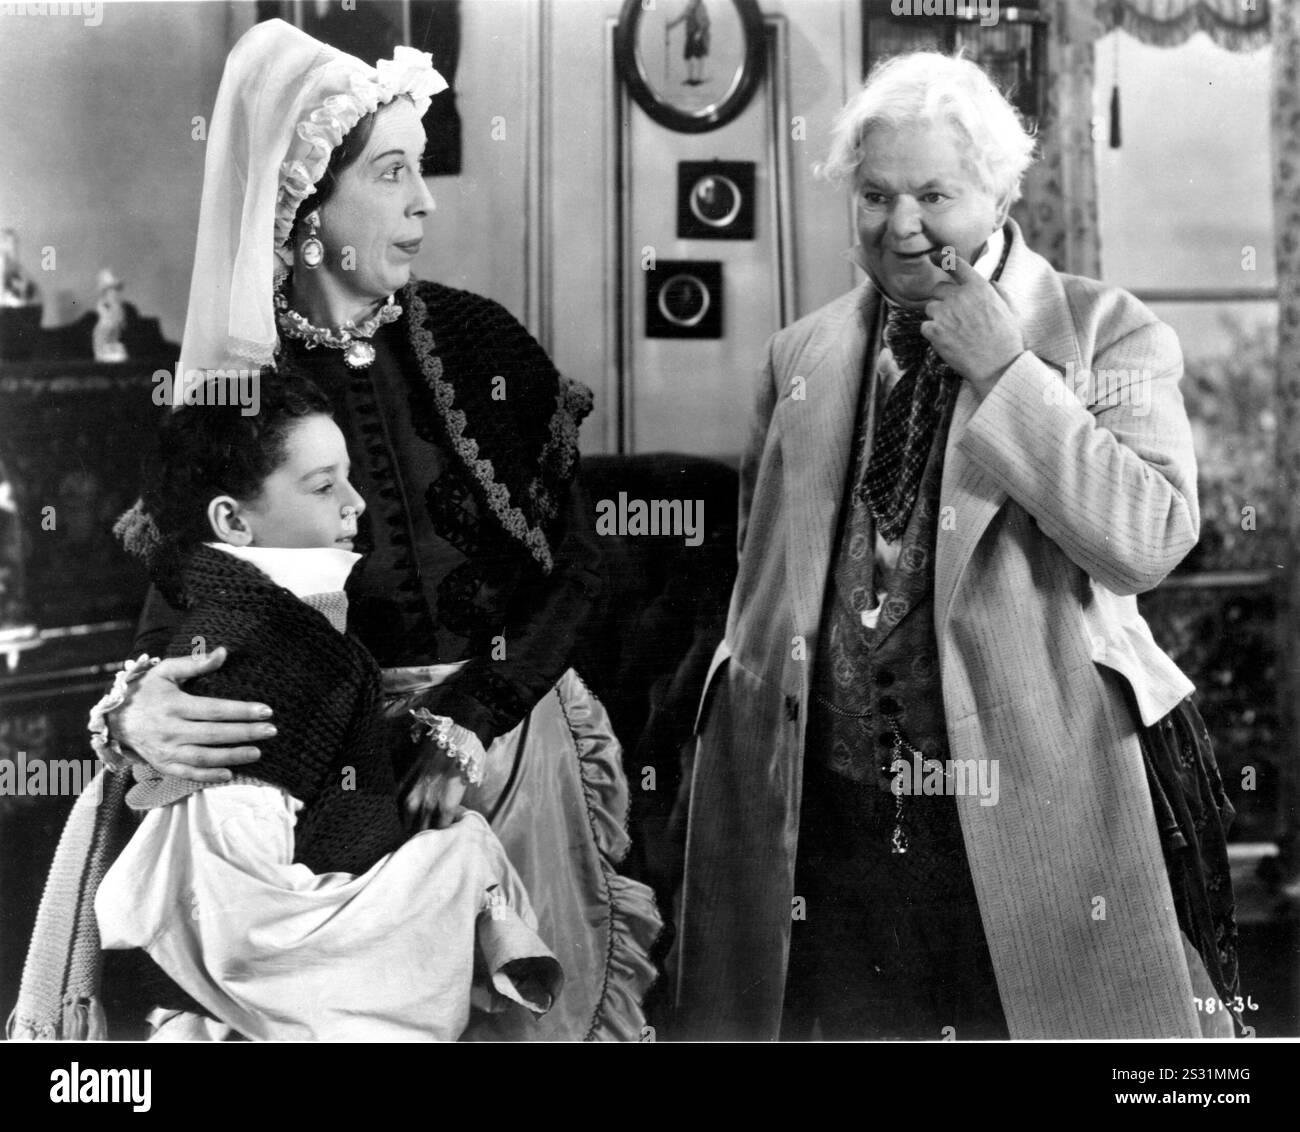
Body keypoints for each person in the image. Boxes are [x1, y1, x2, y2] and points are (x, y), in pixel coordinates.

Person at [12, 19, 658, 1042]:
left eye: (422, 171)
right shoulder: (227, 390)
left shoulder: (480, 342)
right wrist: (134, 708)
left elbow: (575, 569)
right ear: (309, 210)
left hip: (506, 753)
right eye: (393, 172)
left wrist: (474, 716)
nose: (424, 200)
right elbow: (183, 608)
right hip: (322, 800)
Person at [672, 51, 1239, 1041]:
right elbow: (756, 577)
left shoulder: (1106, 331)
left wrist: (1008, 370)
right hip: (833, 815)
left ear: (998, 191)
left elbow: (1145, 541)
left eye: (934, 194)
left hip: (1032, 805)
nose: (901, 226)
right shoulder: (799, 354)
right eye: (876, 195)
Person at [94, 371, 562, 1041]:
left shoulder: (301, 633)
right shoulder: (257, 655)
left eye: (347, 476)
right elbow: (237, 922)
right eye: (322, 485)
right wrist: (456, 866)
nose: (355, 504)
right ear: (232, 519)